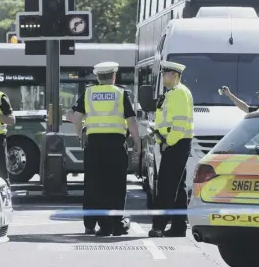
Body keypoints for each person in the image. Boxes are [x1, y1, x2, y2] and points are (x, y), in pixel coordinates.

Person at [69, 61, 141, 237]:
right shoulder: (121, 93)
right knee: (116, 186)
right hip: (115, 145)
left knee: (96, 185)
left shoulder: (88, 93)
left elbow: (75, 118)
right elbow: (131, 121)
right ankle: (116, 225)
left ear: (98, 77)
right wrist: (137, 142)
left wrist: (80, 135)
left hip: (94, 146)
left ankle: (103, 226)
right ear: (114, 76)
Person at [149, 61, 194, 238]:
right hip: (175, 143)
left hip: (175, 144)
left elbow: (180, 123)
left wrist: (169, 142)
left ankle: (158, 226)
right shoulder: (174, 93)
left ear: (174, 75)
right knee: (178, 187)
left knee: (166, 186)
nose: (163, 76)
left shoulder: (179, 93)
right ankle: (178, 226)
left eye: (165, 74)